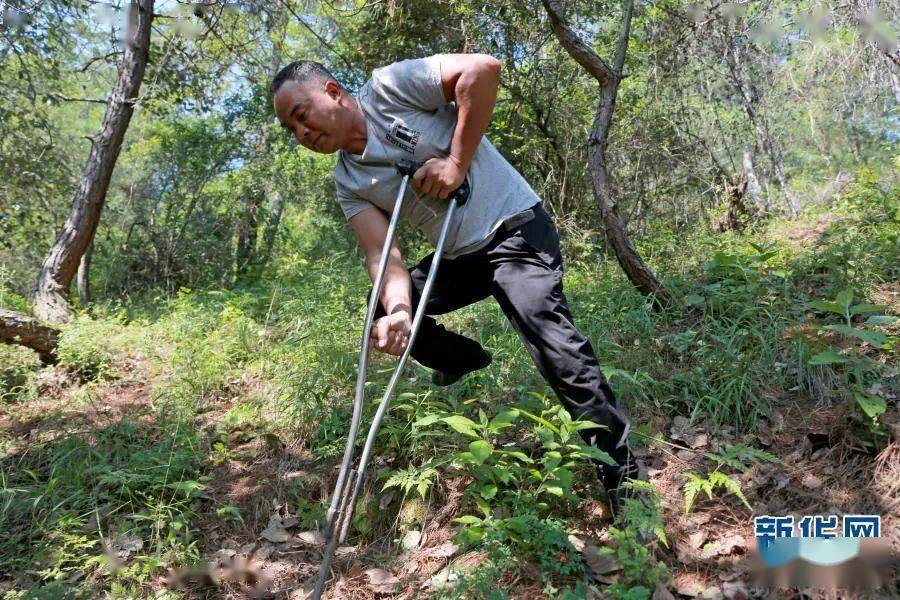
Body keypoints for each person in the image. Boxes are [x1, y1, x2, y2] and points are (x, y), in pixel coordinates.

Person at [270, 54, 639, 512]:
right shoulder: (349, 180)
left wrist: (457, 162)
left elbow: (483, 69)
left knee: (557, 352)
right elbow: (382, 256)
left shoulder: (388, 89)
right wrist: (402, 313)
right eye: (291, 130)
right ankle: (465, 358)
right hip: (461, 257)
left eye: (300, 117)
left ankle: (626, 485)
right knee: (383, 307)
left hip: (514, 232)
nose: (301, 134)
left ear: (330, 92)